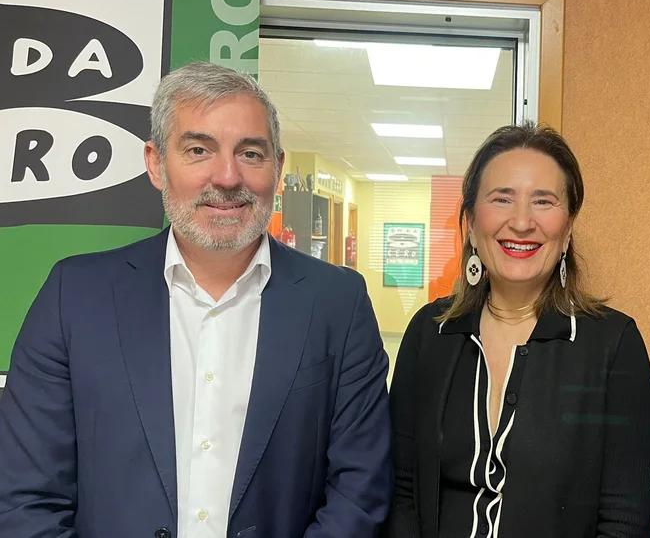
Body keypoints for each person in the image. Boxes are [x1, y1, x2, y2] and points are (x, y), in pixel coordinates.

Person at [0, 62, 392, 538]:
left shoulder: (338, 303)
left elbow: (359, 490)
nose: (227, 177)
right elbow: (25, 497)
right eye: (198, 149)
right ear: (155, 163)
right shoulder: (74, 296)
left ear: (278, 169)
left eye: (250, 153)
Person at [384, 122, 650, 537]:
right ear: (473, 224)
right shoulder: (430, 332)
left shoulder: (613, 344)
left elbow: (625, 518)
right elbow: (402, 489)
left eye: (543, 202)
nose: (521, 221)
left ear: (567, 229)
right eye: (502, 199)